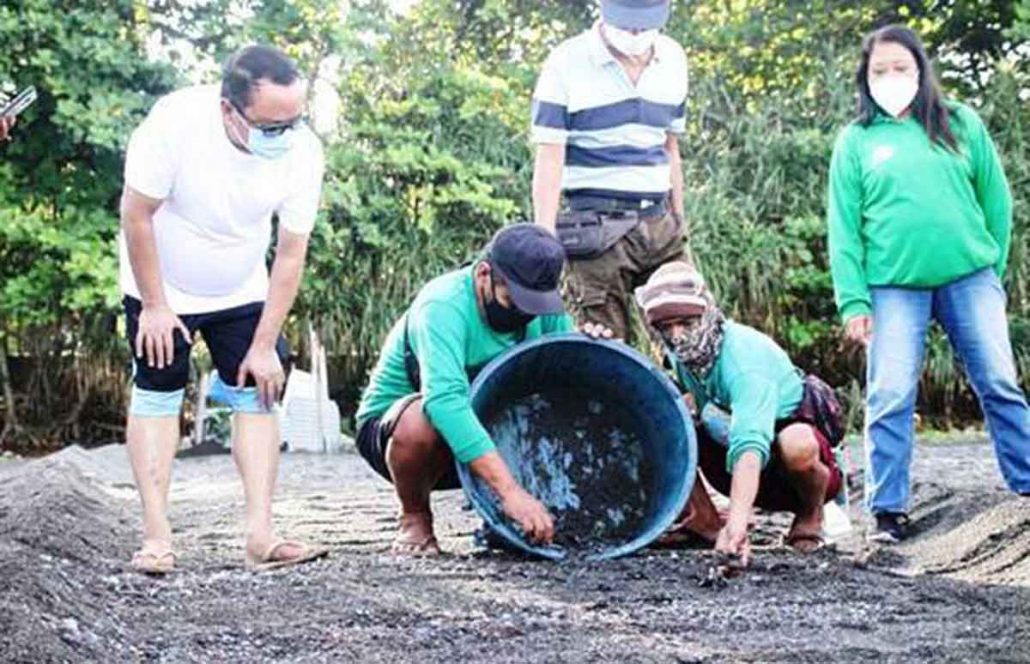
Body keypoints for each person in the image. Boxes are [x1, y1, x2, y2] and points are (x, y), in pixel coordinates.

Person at [119, 45, 327, 573]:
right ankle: (157, 536)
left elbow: (291, 251)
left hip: (241, 284)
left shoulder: (303, 152)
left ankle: (261, 534)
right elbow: (136, 215)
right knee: (159, 390)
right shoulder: (173, 125)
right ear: (228, 109)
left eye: (293, 121)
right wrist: (156, 306)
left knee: (259, 392)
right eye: (270, 125)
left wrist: (263, 344)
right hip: (162, 283)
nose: (284, 134)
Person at [827, 25, 1030, 543]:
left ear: (920, 71)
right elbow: (844, 229)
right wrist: (853, 300)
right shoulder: (858, 141)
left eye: (901, 68)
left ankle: (1026, 484)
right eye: (880, 70)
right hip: (894, 287)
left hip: (969, 278)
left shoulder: (959, 123)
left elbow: (997, 202)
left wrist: (991, 269)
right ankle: (889, 511)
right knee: (890, 392)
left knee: (1000, 381)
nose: (891, 78)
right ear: (865, 78)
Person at [355, 224, 611, 555]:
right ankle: (414, 518)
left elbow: (562, 379)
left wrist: (592, 349)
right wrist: (510, 492)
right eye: (515, 302)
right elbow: (445, 402)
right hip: (406, 440)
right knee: (422, 419)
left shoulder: (543, 307)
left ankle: (507, 524)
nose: (525, 313)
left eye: (535, 306)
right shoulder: (443, 306)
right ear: (484, 274)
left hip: (488, 429)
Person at [636, 262, 844, 566]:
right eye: (665, 327)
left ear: (706, 313)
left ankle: (811, 515)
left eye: (685, 323)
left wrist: (737, 525)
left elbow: (750, 445)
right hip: (728, 452)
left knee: (797, 443)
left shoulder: (745, 363)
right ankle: (703, 518)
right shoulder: (683, 350)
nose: (677, 335)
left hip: (786, 466)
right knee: (668, 415)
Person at [531, 0, 691, 343]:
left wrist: (680, 219)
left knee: (691, 336)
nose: (634, 34)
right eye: (626, 24)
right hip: (595, 230)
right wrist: (544, 241)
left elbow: (670, 147)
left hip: (660, 223)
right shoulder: (566, 62)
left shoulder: (674, 59)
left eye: (643, 25)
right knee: (606, 347)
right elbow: (549, 158)